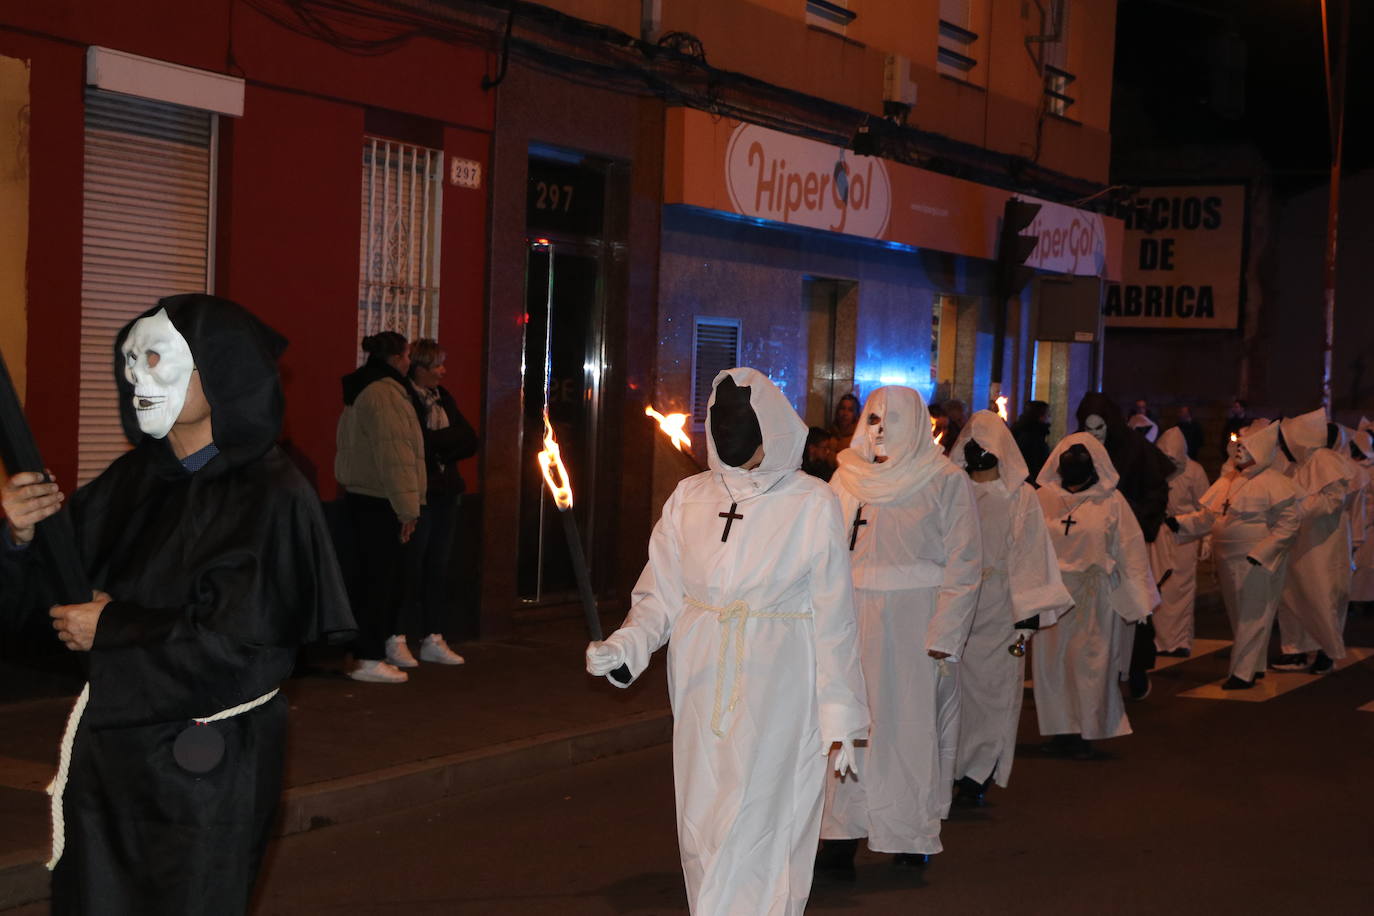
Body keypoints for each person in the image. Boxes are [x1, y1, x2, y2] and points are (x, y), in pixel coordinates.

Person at [1, 294, 354, 913]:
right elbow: (46, 608)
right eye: (130, 360)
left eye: (156, 357)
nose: (136, 376)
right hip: (110, 766)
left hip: (204, 778)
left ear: (217, 371)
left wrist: (112, 627)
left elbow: (247, 648)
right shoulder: (131, 480)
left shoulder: (274, 495)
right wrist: (19, 540)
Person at [585, 367, 868, 916]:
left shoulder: (811, 503)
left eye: (741, 420)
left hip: (779, 680)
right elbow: (661, 590)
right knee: (704, 814)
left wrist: (841, 711)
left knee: (758, 812)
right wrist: (627, 647)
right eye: (719, 419)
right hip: (699, 677)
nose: (728, 431)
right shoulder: (690, 496)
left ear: (771, 427)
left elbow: (835, 614)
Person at [817, 386, 981, 873]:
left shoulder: (944, 480)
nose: (880, 429)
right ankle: (840, 834)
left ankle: (909, 832)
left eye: (892, 419)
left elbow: (965, 563)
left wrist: (944, 634)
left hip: (914, 626)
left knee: (908, 731)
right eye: (872, 419)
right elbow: (818, 553)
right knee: (846, 727)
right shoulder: (844, 480)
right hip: (849, 621)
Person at [948, 411, 1072, 807]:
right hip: (956, 607)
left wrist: (1027, 613)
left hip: (999, 608)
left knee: (991, 692)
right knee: (952, 693)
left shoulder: (1021, 497)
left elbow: (1031, 552)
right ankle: (947, 764)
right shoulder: (951, 492)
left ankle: (978, 769)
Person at [1032, 433, 1155, 759]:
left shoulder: (1111, 502)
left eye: (1081, 458)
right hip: (1054, 595)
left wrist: (1138, 597)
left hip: (1092, 595)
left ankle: (1086, 731)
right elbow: (1027, 546)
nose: (1072, 464)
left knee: (1088, 665)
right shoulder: (1043, 499)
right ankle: (1060, 731)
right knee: (1052, 665)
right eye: (1067, 457)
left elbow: (1130, 549)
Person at [1168, 421, 1299, 688]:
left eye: (1246, 447)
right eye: (1238, 446)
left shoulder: (1275, 483)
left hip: (1256, 558)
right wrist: (1179, 523)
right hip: (1228, 560)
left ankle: (1242, 673)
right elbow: (1208, 516)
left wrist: (1264, 551)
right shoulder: (1229, 480)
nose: (1239, 450)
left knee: (1253, 614)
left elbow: (1288, 524)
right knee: (1240, 614)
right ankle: (1256, 665)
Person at [335, 331, 426, 683]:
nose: (409, 363)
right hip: (381, 499)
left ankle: (369, 651)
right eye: (406, 356)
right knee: (379, 582)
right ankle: (368, 656)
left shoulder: (367, 386)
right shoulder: (384, 392)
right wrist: (408, 509)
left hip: (368, 497)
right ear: (395, 358)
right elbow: (395, 455)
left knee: (374, 578)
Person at [1076, 392, 1171, 700]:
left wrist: (1128, 514)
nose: (1093, 435)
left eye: (1099, 428)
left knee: (1134, 604)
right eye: (1088, 429)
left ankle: (1137, 669)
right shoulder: (1077, 451)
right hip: (1088, 547)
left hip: (1125, 543)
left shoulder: (1135, 451)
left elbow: (1155, 494)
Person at [400, 338, 478, 666]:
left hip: (446, 492)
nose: (443, 372)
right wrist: (442, 445)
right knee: (411, 567)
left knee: (438, 568)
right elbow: (416, 444)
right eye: (437, 366)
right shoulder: (405, 398)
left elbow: (469, 439)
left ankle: (434, 636)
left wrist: (438, 445)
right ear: (420, 368)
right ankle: (399, 635)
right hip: (420, 494)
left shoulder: (442, 398)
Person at [1272, 409, 1351, 675]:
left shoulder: (1325, 460)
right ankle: (1295, 650)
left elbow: (1333, 499)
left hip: (1322, 543)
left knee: (1320, 595)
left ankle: (1327, 651)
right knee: (1293, 596)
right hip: (1298, 541)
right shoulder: (1297, 465)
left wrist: (1298, 509)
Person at [1151, 427, 1211, 657]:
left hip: (1184, 540)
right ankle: (1158, 640)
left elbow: (1206, 508)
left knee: (1181, 591)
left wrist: (1195, 529)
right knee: (1160, 588)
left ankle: (1179, 641)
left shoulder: (1195, 472)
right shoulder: (1154, 471)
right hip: (1159, 538)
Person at [1350, 427, 1374, 611]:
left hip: (1369, 520)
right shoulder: (1350, 466)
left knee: (1365, 564)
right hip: (1355, 518)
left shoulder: (1370, 468)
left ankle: (1365, 599)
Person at [1012, 399, 1052, 482]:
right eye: (1048, 414)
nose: (1050, 417)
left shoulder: (1026, 431)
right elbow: (1033, 463)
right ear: (1040, 416)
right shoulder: (1032, 436)